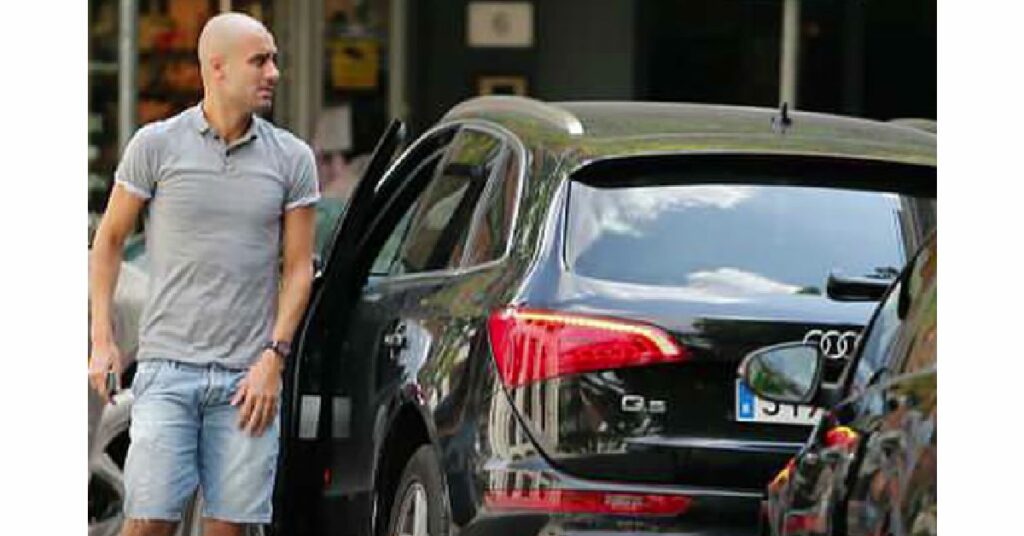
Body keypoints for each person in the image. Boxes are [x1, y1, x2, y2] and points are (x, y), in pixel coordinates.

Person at [88, 12, 319, 536]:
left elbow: (299, 267)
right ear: (217, 68)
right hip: (168, 370)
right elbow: (108, 242)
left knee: (228, 530)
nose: (274, 73)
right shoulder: (157, 145)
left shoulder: (292, 158)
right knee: (147, 524)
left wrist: (273, 359)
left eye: (276, 59)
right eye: (260, 60)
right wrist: (102, 341)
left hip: (247, 378)